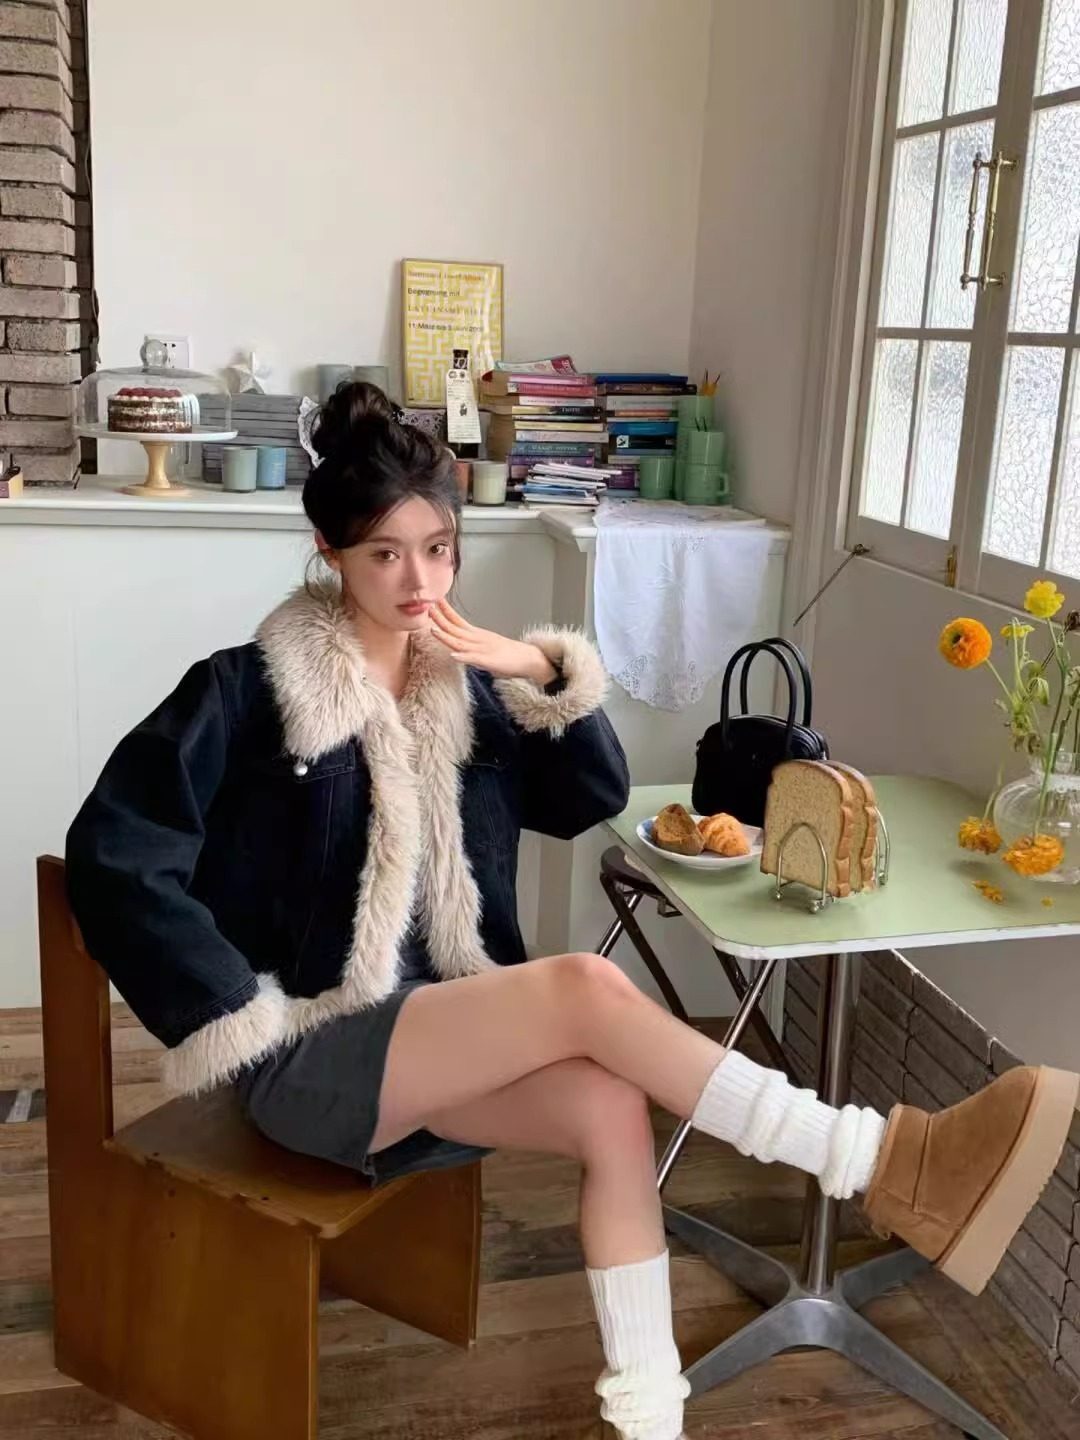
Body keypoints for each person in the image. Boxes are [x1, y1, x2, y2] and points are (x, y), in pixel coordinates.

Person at [66, 383, 1079, 1440]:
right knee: (587, 985)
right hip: (311, 1056)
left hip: (434, 1045)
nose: (420, 581)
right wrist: (239, 1008)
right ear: (331, 551)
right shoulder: (247, 691)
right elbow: (115, 853)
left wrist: (536, 667)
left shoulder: (467, 690)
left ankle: (649, 1418)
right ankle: (874, 1160)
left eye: (439, 550)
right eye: (385, 554)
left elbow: (589, 797)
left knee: (610, 1111)